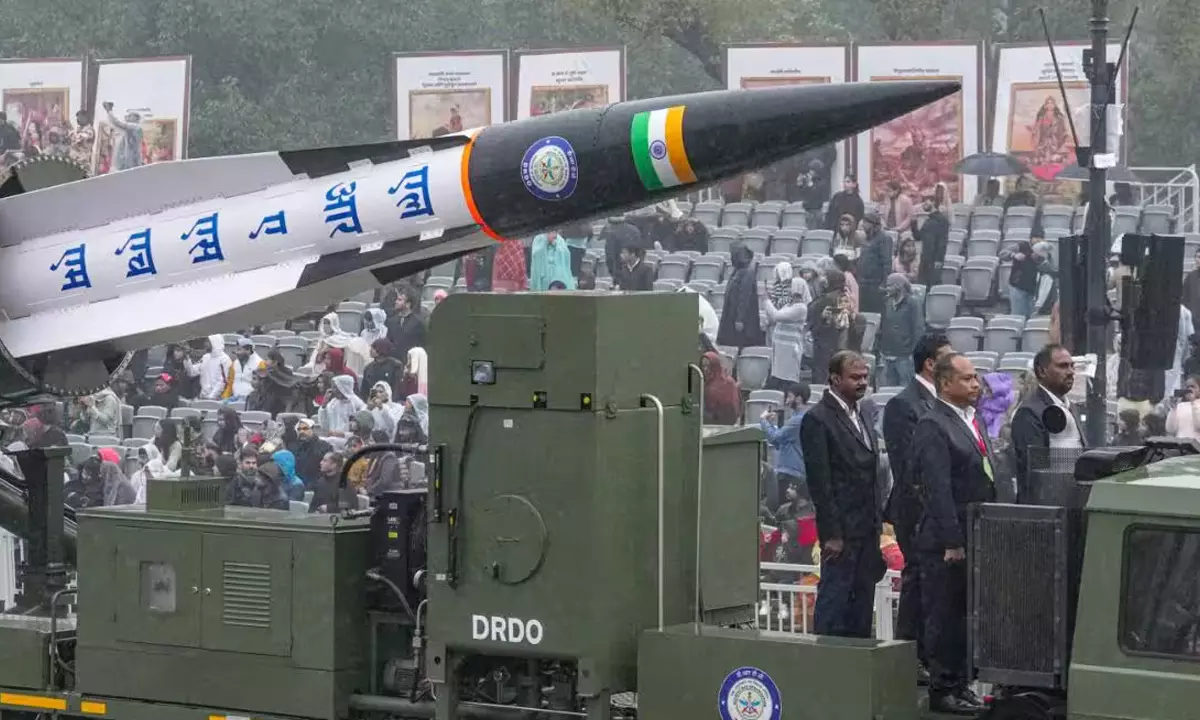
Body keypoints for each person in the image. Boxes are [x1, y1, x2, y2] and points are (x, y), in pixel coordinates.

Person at [909, 353, 994, 714]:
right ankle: (942, 689)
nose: (976, 384)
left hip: (975, 531)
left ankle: (960, 684)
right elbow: (937, 488)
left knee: (963, 615)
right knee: (943, 616)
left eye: (976, 378)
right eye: (967, 378)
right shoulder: (933, 424)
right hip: (946, 540)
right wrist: (952, 541)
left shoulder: (972, 418)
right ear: (945, 383)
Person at [882, 333, 953, 684]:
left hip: (939, 510)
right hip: (916, 512)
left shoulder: (943, 403)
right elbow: (909, 467)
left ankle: (929, 657)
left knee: (935, 587)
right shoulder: (904, 405)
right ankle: (909, 656)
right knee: (917, 581)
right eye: (948, 357)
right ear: (930, 363)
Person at [799, 351, 884, 638]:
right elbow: (820, 483)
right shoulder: (817, 419)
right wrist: (832, 534)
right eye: (855, 377)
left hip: (868, 531)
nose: (862, 383)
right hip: (841, 535)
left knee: (862, 608)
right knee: (834, 607)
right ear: (835, 379)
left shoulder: (864, 413)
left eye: (865, 377)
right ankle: (828, 662)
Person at [1010, 344, 1084, 501]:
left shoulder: (1071, 407)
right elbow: (1037, 474)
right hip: (1047, 507)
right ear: (1042, 371)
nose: (1070, 372)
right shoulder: (1029, 413)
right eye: (1062, 366)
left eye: (1072, 366)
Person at [759, 382, 811, 506]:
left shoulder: (799, 420)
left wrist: (763, 420)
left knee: (783, 509)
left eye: (789, 396)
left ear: (798, 398)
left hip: (791, 473)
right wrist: (770, 424)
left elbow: (775, 438)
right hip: (788, 471)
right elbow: (780, 443)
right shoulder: (797, 418)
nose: (787, 400)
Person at [759, 275, 809, 390]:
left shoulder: (801, 308)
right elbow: (773, 317)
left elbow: (777, 316)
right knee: (776, 377)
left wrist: (766, 300)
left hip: (790, 351)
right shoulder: (788, 305)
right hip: (780, 349)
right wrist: (770, 301)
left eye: (791, 286)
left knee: (787, 380)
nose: (788, 289)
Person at [878, 274, 926, 386]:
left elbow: (918, 329)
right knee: (889, 389)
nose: (887, 288)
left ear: (899, 286)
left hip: (905, 356)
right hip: (888, 355)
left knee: (906, 388)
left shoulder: (912, 303)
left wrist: (913, 352)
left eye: (890, 285)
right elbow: (884, 327)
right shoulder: (888, 302)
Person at [717, 242, 765, 348]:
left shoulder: (748, 273)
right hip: (731, 316)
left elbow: (744, 297)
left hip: (742, 321)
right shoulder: (736, 272)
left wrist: (740, 318)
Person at [856, 211, 893, 314]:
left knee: (875, 312)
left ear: (874, 224)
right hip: (863, 283)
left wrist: (884, 283)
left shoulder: (884, 238)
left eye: (866, 222)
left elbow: (887, 263)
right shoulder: (866, 239)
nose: (863, 225)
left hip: (875, 284)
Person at [186, 335, 234, 401]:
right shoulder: (205, 357)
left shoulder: (225, 359)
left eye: (207, 342)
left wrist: (211, 397)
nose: (205, 344)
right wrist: (187, 359)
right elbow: (192, 372)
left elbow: (223, 381)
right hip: (203, 397)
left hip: (218, 399)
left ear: (214, 342)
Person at [700, 352, 740, 425]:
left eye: (709, 366)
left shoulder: (728, 383)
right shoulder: (702, 382)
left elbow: (731, 409)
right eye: (703, 366)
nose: (705, 369)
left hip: (725, 424)